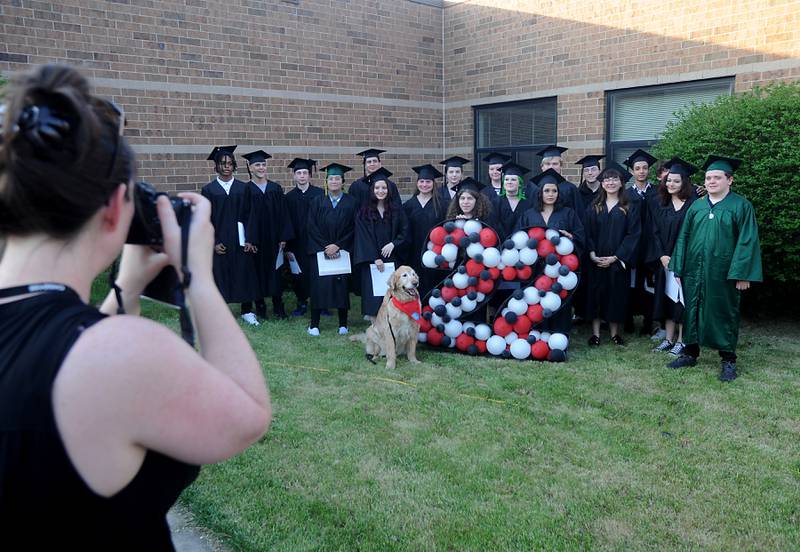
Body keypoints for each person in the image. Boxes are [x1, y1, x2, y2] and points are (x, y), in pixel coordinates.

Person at [0, 64, 270, 548]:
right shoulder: (120, 353)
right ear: (114, 208)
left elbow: (52, 358)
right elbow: (247, 417)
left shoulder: (79, 344)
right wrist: (199, 279)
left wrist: (124, 289)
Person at [667, 155, 762, 382]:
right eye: (708, 178)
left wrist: (742, 273)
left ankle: (728, 359)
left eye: (717, 178)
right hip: (693, 270)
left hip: (724, 273)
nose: (711, 181)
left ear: (729, 180)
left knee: (724, 312)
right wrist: (678, 268)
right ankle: (690, 352)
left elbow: (747, 241)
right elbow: (684, 237)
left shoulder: (741, 206)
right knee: (692, 310)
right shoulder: (696, 206)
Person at [517, 168, 585, 336]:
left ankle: (559, 332)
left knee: (558, 296)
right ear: (540, 193)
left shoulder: (568, 213)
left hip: (559, 268)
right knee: (536, 298)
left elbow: (580, 236)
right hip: (535, 268)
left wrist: (570, 237)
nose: (550, 194)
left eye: (554, 191)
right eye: (547, 190)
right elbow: (518, 238)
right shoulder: (529, 214)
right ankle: (537, 331)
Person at [200, 145, 260, 325]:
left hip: (240, 240)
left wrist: (250, 239)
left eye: (230, 163)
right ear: (216, 166)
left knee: (244, 273)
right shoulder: (209, 190)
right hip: (221, 240)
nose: (226, 166)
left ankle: (247, 311)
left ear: (234, 166)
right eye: (222, 163)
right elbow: (205, 219)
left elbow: (251, 215)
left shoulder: (243, 188)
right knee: (220, 274)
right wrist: (213, 242)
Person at [583, 163, 641, 346]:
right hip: (596, 260)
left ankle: (615, 333)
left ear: (621, 182)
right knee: (595, 295)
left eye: (614, 179)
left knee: (616, 295)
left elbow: (634, 234)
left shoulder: (629, 207)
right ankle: (596, 334)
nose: (610, 182)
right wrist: (592, 254)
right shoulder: (594, 206)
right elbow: (587, 232)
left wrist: (617, 257)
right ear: (601, 183)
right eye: (606, 179)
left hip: (617, 261)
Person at [646, 157, 697, 356]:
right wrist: (662, 256)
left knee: (681, 301)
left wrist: (678, 258)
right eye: (668, 180)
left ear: (684, 182)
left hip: (684, 261)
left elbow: (694, 236)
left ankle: (682, 341)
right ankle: (668, 339)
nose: (671, 184)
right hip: (665, 262)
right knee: (666, 299)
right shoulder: (661, 203)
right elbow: (654, 232)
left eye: (676, 181)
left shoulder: (693, 205)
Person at [306, 161, 358, 336]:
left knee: (341, 287)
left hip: (342, 252)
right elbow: (311, 227)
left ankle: (343, 324)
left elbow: (354, 228)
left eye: (337, 179)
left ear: (343, 182)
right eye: (331, 179)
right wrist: (325, 246)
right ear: (326, 182)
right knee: (318, 287)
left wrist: (338, 245)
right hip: (320, 252)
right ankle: (314, 324)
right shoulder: (317, 201)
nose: (334, 181)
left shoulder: (352, 203)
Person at [241, 150, 294, 321]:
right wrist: (249, 239)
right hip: (257, 241)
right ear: (251, 167)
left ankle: (278, 307)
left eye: (263, 164)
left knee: (276, 272)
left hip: (274, 239)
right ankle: (261, 307)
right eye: (257, 164)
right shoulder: (246, 190)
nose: (261, 167)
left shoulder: (275, 188)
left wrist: (284, 237)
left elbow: (284, 214)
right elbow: (244, 216)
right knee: (257, 273)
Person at [354, 167, 409, 321]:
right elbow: (362, 237)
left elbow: (405, 233)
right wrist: (374, 257)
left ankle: (392, 321)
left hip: (392, 258)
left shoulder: (397, 210)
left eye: (384, 188)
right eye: (377, 188)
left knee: (392, 292)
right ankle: (374, 323)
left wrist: (394, 244)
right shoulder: (363, 213)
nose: (381, 191)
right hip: (373, 262)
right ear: (372, 190)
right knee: (374, 294)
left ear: (389, 189)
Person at [622, 148, 658, 336]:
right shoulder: (626, 195)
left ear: (648, 170)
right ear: (632, 171)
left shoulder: (658, 193)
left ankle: (648, 322)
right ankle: (627, 320)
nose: (642, 171)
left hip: (651, 248)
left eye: (645, 168)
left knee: (649, 286)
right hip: (632, 249)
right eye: (638, 168)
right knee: (630, 284)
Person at [284, 157, 324, 317]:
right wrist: (287, 246)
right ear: (294, 176)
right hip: (297, 243)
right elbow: (285, 222)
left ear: (309, 175)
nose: (302, 176)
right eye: (298, 173)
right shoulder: (288, 197)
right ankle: (301, 303)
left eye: (305, 173)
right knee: (298, 275)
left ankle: (321, 304)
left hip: (316, 242)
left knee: (318, 273)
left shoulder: (319, 194)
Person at [402, 163, 447, 298]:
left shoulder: (442, 204)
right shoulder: (408, 206)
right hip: (413, 252)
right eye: (421, 181)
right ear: (417, 183)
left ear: (433, 184)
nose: (424, 184)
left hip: (434, 250)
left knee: (434, 284)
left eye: (428, 181)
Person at [529, 144, 581, 213]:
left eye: (555, 164)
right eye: (548, 164)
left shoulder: (571, 188)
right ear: (542, 167)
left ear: (561, 166)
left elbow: (579, 215)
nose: (551, 167)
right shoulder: (533, 186)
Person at [494, 161, 532, 239]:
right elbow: (494, 224)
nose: (509, 182)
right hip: (500, 243)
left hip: (522, 244)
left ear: (520, 183)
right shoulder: (496, 202)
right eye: (506, 179)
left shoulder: (528, 203)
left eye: (513, 180)